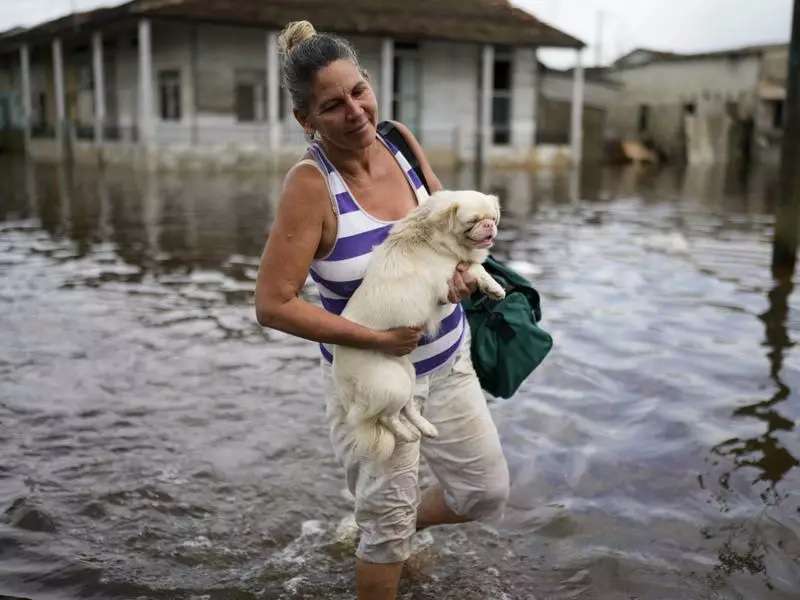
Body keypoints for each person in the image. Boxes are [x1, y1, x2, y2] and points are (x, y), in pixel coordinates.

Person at [254, 20, 510, 600]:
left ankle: (388, 521)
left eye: (358, 92)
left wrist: (461, 276)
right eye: (333, 105)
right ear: (307, 121)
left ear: (370, 85)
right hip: (371, 379)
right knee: (386, 542)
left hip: (450, 362)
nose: (355, 111)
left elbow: (450, 231)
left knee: (484, 493)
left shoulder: (400, 140)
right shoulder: (310, 186)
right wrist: (375, 340)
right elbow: (271, 304)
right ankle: (384, 533)